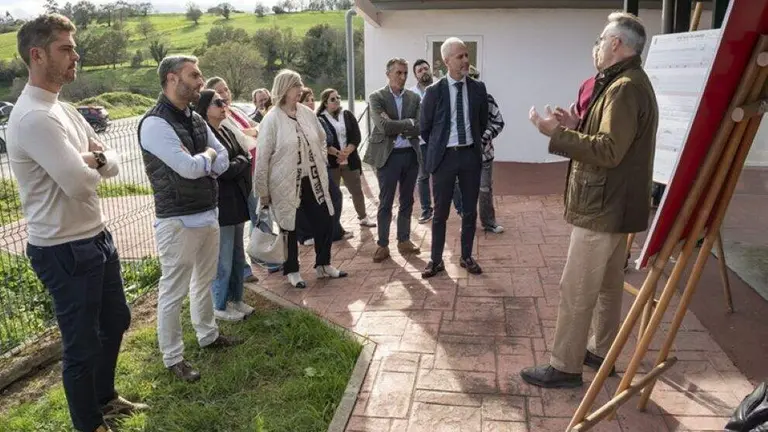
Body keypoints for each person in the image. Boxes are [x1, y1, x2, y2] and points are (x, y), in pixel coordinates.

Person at [6, 14, 148, 432]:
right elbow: (79, 184)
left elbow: (112, 162)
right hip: (62, 248)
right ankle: (90, 424)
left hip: (96, 236)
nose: (76, 56)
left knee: (116, 320)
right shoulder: (34, 117)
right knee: (81, 345)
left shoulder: (63, 109)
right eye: (65, 48)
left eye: (74, 47)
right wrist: (94, 161)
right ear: (37, 54)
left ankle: (105, 399)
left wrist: (93, 159)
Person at [521, 11, 658, 388]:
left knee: (577, 287)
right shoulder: (627, 82)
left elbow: (610, 150)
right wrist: (575, 126)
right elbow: (615, 140)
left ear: (616, 43)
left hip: (602, 206)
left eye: (601, 40)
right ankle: (601, 352)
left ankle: (564, 365)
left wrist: (556, 134)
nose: (596, 46)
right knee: (608, 287)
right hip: (616, 205)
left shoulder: (624, 87)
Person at [139, 55, 241, 383]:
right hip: (178, 221)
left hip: (207, 213)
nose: (201, 81)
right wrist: (207, 157)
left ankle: (208, 335)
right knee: (173, 291)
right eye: (194, 75)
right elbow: (189, 168)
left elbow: (222, 159)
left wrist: (206, 159)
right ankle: (173, 357)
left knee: (204, 281)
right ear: (172, 78)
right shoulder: (155, 123)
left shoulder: (195, 118)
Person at [254, 69, 348, 288]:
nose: (300, 89)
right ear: (285, 88)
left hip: (313, 179)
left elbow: (322, 138)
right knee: (289, 227)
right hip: (284, 183)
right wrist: (263, 191)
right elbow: (262, 157)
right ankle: (292, 271)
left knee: (325, 219)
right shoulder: (271, 119)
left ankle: (323, 265)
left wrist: (320, 158)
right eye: (296, 85)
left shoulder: (306, 113)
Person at [420, 37, 489, 278]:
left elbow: (482, 122)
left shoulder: (478, 89)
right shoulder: (433, 92)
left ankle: (466, 256)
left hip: (470, 155)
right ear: (446, 61)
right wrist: (441, 148)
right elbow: (425, 128)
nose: (466, 60)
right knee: (440, 212)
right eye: (460, 56)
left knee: (470, 210)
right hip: (444, 158)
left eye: (467, 55)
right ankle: (436, 260)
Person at [194, 89, 254, 321]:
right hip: (222, 204)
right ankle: (219, 304)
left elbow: (244, 155)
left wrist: (237, 162)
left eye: (223, 101)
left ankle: (236, 298)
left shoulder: (226, 130)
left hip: (237, 200)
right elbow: (223, 170)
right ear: (205, 109)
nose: (223, 105)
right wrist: (239, 162)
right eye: (217, 102)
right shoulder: (205, 137)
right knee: (224, 258)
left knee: (237, 255)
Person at [204, 76, 262, 283]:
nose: (225, 95)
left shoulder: (235, 111)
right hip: (236, 182)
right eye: (219, 94)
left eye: (226, 90)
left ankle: (261, 258)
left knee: (257, 218)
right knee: (235, 235)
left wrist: (253, 134)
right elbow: (244, 143)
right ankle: (248, 267)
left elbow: (257, 128)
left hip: (251, 173)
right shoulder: (219, 122)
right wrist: (251, 137)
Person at [365, 57, 423, 263]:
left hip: (410, 155)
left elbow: (420, 126)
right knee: (386, 201)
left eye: (405, 73)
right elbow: (384, 127)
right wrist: (408, 123)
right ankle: (382, 244)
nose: (403, 77)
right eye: (398, 72)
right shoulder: (377, 97)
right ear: (388, 73)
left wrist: (400, 124)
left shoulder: (413, 98)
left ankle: (403, 240)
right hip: (388, 157)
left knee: (407, 200)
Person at [451, 65, 506, 233]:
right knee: (459, 188)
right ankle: (466, 219)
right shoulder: (454, 98)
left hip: (484, 154)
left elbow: (498, 121)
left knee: (484, 189)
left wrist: (482, 138)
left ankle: (488, 222)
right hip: (460, 154)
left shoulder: (486, 98)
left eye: (473, 77)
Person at [317, 88, 375, 227]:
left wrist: (346, 153)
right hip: (332, 163)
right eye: (332, 99)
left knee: (357, 190)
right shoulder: (320, 119)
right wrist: (338, 154)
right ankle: (334, 224)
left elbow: (356, 136)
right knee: (333, 195)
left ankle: (363, 217)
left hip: (350, 161)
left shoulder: (347, 115)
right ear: (325, 103)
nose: (337, 100)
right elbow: (322, 142)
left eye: (338, 97)